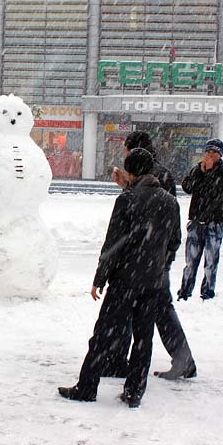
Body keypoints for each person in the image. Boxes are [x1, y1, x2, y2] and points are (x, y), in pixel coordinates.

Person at [58, 148, 182, 408]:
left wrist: (100, 277)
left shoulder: (127, 200)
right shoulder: (170, 201)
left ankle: (87, 387)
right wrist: (159, 263)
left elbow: (113, 243)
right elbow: (175, 241)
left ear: (130, 171)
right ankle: (134, 392)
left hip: (125, 280)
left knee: (103, 335)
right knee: (143, 338)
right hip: (153, 282)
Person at [104, 131, 196, 380]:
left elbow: (146, 210)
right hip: (156, 254)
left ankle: (180, 360)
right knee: (147, 307)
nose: (124, 154)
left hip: (146, 257)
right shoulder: (159, 171)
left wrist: (126, 186)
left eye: (126, 149)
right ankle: (123, 359)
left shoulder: (151, 173)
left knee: (151, 307)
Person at [178, 138, 223, 301]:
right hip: (196, 221)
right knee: (190, 261)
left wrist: (209, 172)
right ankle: (185, 291)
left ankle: (208, 292)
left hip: (214, 222)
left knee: (211, 260)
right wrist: (201, 172)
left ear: (220, 154)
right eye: (208, 152)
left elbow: (218, 192)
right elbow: (187, 187)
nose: (210, 155)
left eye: (214, 152)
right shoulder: (198, 169)